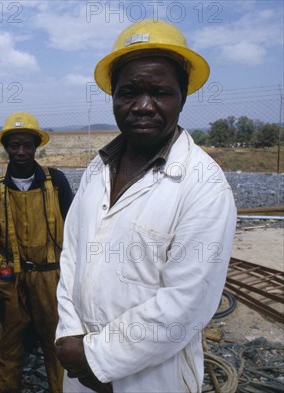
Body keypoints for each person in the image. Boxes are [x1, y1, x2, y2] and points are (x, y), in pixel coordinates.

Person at [54, 19, 237, 392]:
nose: (142, 106)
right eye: (129, 92)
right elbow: (71, 254)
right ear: (113, 97)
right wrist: (70, 336)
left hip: (152, 378)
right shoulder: (98, 167)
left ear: (183, 96)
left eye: (160, 92)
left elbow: (186, 302)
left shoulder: (204, 185)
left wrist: (98, 358)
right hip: (78, 365)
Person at [0, 112, 74, 393]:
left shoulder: (55, 182)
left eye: (27, 145)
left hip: (51, 277)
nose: (21, 152)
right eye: (15, 145)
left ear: (36, 146)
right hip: (10, 279)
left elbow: (75, 231)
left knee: (58, 343)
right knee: (8, 344)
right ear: (6, 147)